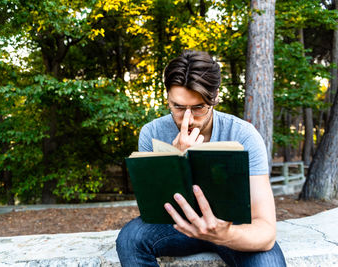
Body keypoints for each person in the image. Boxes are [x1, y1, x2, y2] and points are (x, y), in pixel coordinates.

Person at [116, 50, 286, 266]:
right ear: (167, 98)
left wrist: (225, 235)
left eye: (198, 108)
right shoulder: (152, 133)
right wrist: (173, 159)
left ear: (214, 98)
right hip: (178, 226)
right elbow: (155, 212)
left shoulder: (244, 135)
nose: (188, 119)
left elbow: (266, 231)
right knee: (130, 238)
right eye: (177, 107)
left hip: (232, 229)